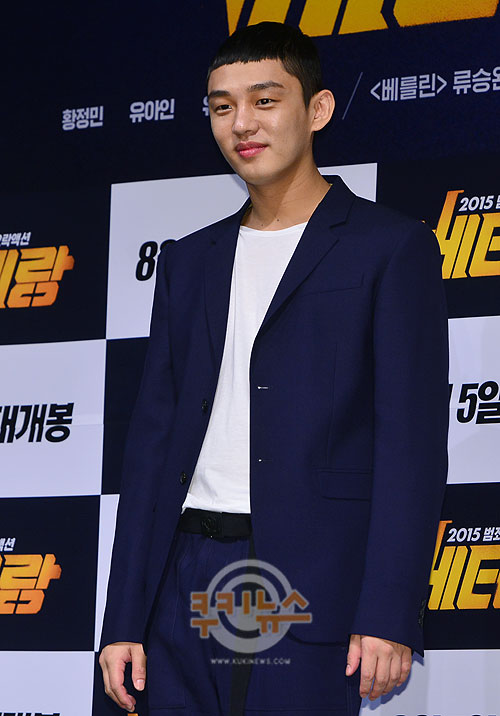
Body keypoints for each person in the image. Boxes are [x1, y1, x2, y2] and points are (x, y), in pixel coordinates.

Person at [99, 21, 449, 716]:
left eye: (264, 100)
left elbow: (409, 447)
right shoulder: (188, 260)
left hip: (305, 575)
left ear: (317, 109)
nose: (241, 124)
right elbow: (150, 447)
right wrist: (122, 618)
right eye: (222, 106)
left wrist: (388, 610)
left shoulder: (389, 248)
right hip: (180, 572)